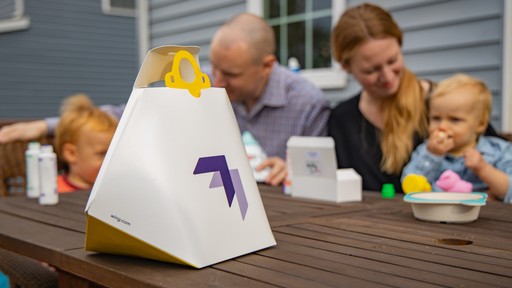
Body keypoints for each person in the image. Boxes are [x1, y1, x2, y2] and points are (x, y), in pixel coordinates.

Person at [0, 13, 330, 187]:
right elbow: (126, 111)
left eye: (230, 74)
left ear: (267, 65)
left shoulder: (307, 102)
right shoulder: (200, 83)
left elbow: (318, 176)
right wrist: (43, 125)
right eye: (214, 67)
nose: (216, 81)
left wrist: (292, 170)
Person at [328, 3, 499, 193]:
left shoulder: (445, 105)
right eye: (371, 70)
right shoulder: (342, 120)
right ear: (346, 67)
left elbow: (499, 164)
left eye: (392, 61)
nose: (387, 77)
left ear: (400, 45)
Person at [402, 74, 512, 203]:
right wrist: (432, 156)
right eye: (436, 118)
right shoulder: (426, 151)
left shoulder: (498, 151)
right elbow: (409, 184)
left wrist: (483, 169)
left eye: (454, 120)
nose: (442, 126)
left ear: (480, 124)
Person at [54, 94, 118, 192]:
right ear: (71, 154)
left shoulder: (114, 189)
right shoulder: (52, 191)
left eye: (113, 154)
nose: (110, 163)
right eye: (102, 154)